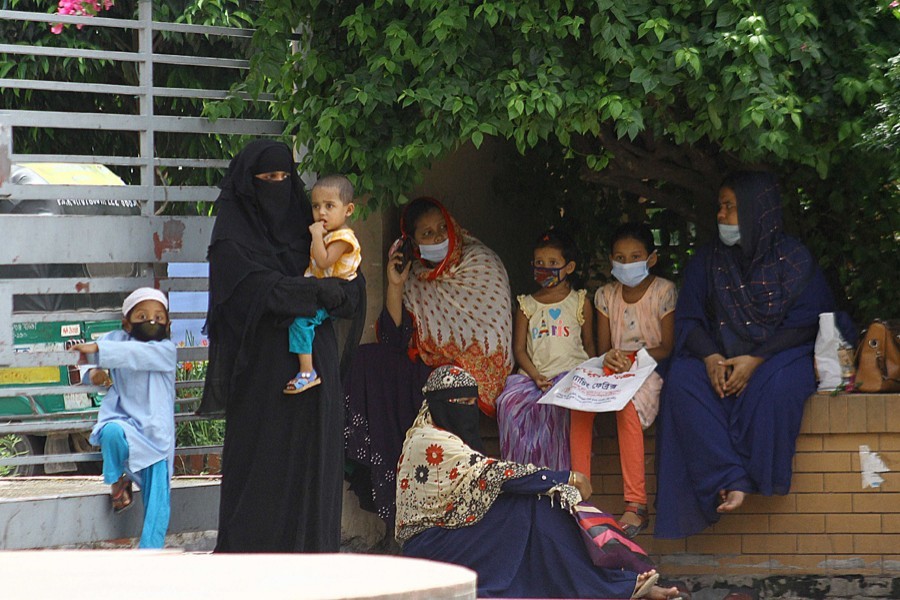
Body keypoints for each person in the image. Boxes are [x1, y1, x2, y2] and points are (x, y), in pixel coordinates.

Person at [198, 140, 365, 552]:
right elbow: (254, 293)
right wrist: (316, 291)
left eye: (283, 177)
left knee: (315, 475)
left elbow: (351, 286)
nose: (276, 186)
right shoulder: (231, 240)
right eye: (265, 179)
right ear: (247, 186)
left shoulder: (311, 229)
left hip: (315, 377)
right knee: (262, 475)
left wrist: (317, 291)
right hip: (263, 381)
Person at [654, 171, 836, 539]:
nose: (720, 215)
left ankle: (755, 476)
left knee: (779, 387)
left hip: (775, 356)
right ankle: (727, 475)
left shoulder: (794, 259)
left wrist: (756, 361)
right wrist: (709, 359)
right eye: (720, 206)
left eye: (730, 207)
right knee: (681, 381)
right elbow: (690, 318)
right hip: (719, 359)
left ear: (757, 211)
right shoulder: (707, 260)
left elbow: (806, 323)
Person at [396, 366, 683, 599]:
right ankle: (618, 585)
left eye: (474, 403)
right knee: (530, 507)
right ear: (440, 405)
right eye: (464, 405)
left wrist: (551, 484)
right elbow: (493, 473)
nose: (469, 411)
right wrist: (564, 477)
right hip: (430, 546)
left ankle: (618, 583)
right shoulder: (429, 441)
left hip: (454, 532)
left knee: (536, 507)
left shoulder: (439, 432)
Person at [345, 196, 512, 528]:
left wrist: (454, 363)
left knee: (450, 385)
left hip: (470, 373)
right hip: (427, 369)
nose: (436, 238)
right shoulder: (416, 275)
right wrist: (396, 284)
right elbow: (394, 340)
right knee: (365, 360)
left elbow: (494, 333)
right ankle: (391, 488)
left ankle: (468, 509)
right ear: (411, 240)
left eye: (440, 230)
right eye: (426, 234)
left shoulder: (481, 263)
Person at [570, 223, 676, 538]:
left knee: (626, 406)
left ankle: (636, 504)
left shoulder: (664, 291)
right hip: (614, 369)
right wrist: (612, 358)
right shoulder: (605, 295)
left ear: (651, 259)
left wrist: (632, 357)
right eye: (620, 257)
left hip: (648, 370)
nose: (627, 264)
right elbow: (604, 349)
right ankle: (579, 493)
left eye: (635, 256)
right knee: (580, 400)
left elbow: (667, 346)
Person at [71, 287, 177, 549]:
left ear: (168, 325)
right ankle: (118, 481)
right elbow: (82, 360)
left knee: (157, 502)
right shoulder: (116, 339)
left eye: (158, 318)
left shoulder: (166, 350)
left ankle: (150, 553)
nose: (151, 322)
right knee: (110, 433)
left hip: (156, 437)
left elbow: (131, 355)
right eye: (142, 317)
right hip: (126, 424)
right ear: (126, 324)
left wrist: (97, 349)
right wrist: (93, 372)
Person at [495, 229, 594, 471]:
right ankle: (521, 474)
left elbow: (589, 344)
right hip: (532, 378)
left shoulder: (580, 301)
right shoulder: (526, 304)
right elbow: (519, 349)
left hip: (570, 378)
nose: (545, 268)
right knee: (507, 404)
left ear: (569, 267)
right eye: (539, 263)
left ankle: (559, 476)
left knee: (561, 412)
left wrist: (591, 376)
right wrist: (536, 375)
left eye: (553, 263)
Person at [283, 175, 362, 394]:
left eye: (329, 206)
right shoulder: (330, 234)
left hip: (339, 295)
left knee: (301, 321)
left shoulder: (344, 238)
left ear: (348, 210)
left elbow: (323, 260)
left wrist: (317, 235)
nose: (322, 213)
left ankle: (307, 372)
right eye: (316, 206)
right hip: (324, 290)